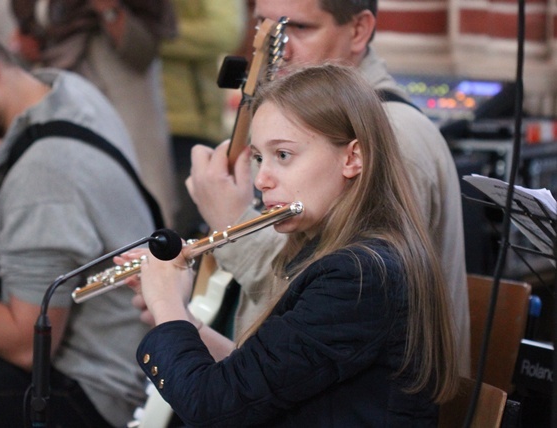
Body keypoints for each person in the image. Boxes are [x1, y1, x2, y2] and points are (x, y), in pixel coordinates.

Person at [122, 63, 459, 426]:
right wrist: (187, 323)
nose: (262, 180)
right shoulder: (334, 254)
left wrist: (166, 303)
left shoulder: (360, 276)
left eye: (283, 155)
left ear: (352, 158)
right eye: (258, 158)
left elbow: (213, 408)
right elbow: (255, 378)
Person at [186, 0, 471, 376]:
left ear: (358, 30)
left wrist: (230, 224)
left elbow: (326, 309)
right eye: (263, 26)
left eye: (298, 28)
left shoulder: (389, 136)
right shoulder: (293, 126)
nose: (275, 49)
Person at [0, 13, 156, 426]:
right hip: (134, 368)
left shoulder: (42, 175)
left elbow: (28, 346)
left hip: (86, 399)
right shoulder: (66, 90)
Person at [11, 0, 180, 228]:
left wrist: (109, 10)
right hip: (62, 87)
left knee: (146, 191)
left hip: (123, 88)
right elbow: (26, 30)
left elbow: (143, 52)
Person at [161, 0, 247, 238]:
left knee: (189, 232)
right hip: (134, 121)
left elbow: (223, 31)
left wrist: (149, 36)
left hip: (193, 123)